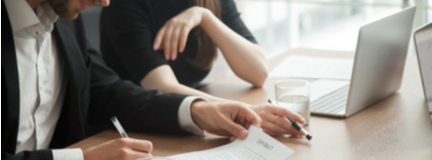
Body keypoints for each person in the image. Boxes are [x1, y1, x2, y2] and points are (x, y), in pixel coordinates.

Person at [2, 0, 305, 159]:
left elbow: (106, 91)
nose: (106, 2)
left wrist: (197, 110)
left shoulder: (62, 20)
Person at [100, 0, 305, 137]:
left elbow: (258, 72)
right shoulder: (122, 4)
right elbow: (164, 86)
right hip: (138, 126)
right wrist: (245, 111)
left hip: (188, 121)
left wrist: (205, 17)